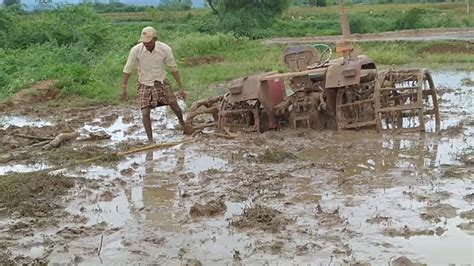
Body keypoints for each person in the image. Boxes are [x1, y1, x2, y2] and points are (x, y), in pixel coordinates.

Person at [121, 26, 193, 143]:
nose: (146, 44)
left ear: (155, 39)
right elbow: (127, 69)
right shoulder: (136, 50)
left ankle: (182, 123)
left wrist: (181, 87)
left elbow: (173, 68)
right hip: (144, 82)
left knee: (174, 105)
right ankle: (150, 140)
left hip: (161, 81)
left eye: (149, 42)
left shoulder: (165, 49)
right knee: (145, 112)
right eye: (144, 42)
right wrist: (123, 87)